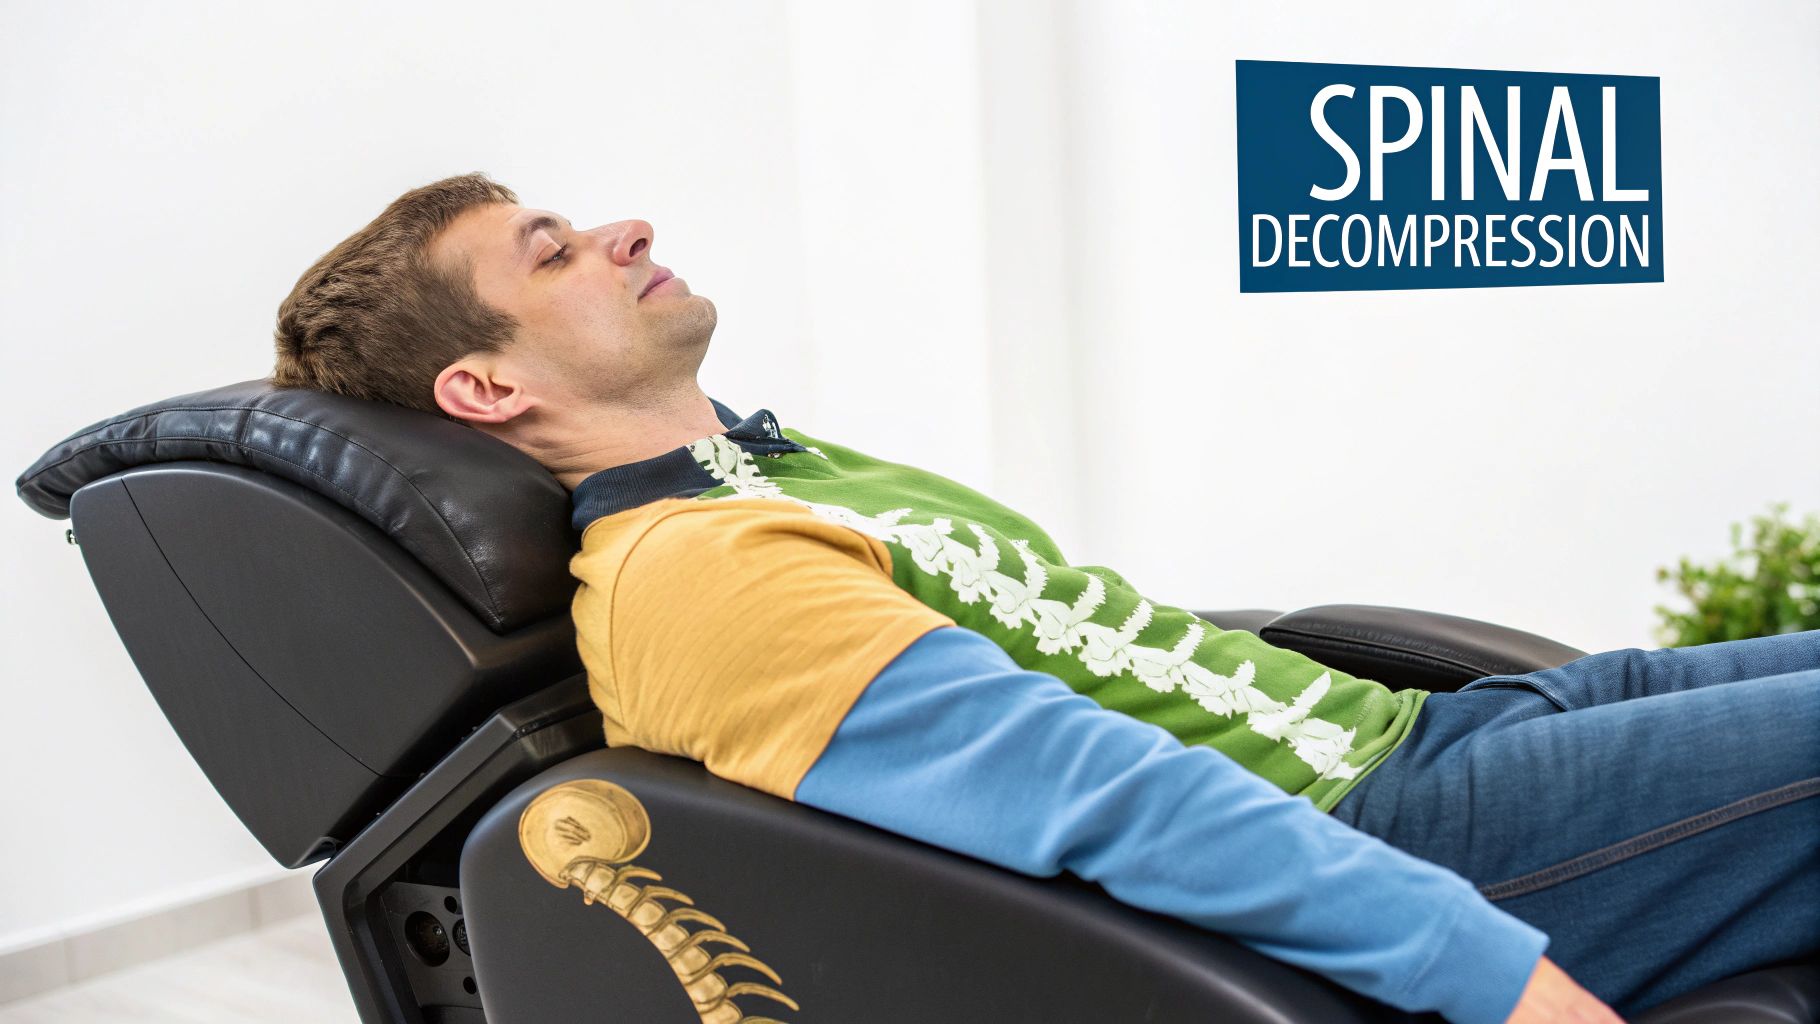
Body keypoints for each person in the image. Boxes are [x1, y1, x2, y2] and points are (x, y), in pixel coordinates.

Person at [271, 172, 1819, 1024]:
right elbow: (1114, 804)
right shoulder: (699, 579)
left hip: (1428, 733)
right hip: (1416, 838)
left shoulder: (768, 473)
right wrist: (1494, 982)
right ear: (483, 382)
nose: (627, 228)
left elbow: (1090, 653)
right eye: (554, 251)